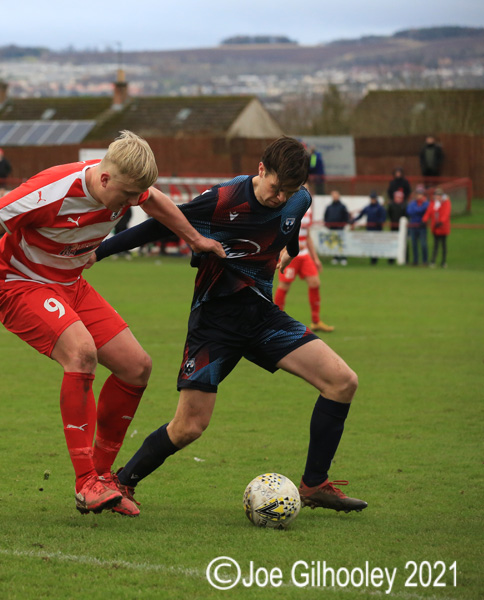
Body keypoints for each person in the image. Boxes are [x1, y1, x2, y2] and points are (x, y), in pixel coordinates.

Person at [0, 130, 226, 517]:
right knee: (81, 353)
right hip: (19, 285)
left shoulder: (128, 185)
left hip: (70, 285)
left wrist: (194, 239)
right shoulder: (50, 191)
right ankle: (86, 482)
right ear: (104, 179)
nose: (134, 204)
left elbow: (158, 202)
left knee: (137, 367)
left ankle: (102, 478)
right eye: (127, 196)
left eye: (139, 196)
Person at [91, 136, 366, 515]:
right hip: (215, 324)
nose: (281, 198)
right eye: (275, 188)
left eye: (289, 191)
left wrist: (288, 253)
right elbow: (159, 225)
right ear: (261, 170)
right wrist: (99, 251)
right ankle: (123, 481)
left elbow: (291, 232)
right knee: (189, 426)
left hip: (264, 319)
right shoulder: (223, 200)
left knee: (342, 382)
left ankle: (314, 484)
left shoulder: (297, 199)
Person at [274, 208, 334, 333]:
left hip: (305, 255)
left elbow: (308, 236)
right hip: (289, 255)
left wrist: (316, 258)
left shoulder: (309, 210)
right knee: (284, 286)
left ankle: (316, 321)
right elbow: (279, 231)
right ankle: (275, 322)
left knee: (315, 283)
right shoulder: (289, 205)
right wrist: (286, 247)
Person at [351, 190, 387, 265]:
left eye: (373, 198)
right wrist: (353, 220)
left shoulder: (380, 208)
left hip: (377, 229)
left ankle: (375, 259)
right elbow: (360, 215)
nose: (372, 200)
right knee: (371, 245)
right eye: (371, 198)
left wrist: (378, 222)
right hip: (369, 229)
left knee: (376, 245)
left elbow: (383, 218)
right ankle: (372, 259)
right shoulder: (367, 207)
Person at [424, 188, 450, 268]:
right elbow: (428, 212)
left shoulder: (446, 203)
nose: (437, 197)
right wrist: (424, 220)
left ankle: (443, 261)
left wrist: (441, 222)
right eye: (436, 195)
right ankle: (433, 261)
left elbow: (446, 213)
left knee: (443, 245)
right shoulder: (433, 203)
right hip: (435, 227)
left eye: (439, 195)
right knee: (435, 245)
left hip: (443, 227)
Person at [323, 190, 350, 266]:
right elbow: (326, 216)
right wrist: (327, 224)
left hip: (340, 228)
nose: (334, 197)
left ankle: (344, 258)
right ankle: (336, 258)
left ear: (338, 196)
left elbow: (346, 217)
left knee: (341, 243)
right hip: (332, 228)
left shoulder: (342, 206)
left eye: (336, 196)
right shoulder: (329, 207)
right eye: (333, 196)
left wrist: (342, 225)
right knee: (334, 243)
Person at [406, 186, 429, 267]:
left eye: (420, 194)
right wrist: (419, 210)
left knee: (423, 244)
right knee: (414, 244)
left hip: (422, 226)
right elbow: (409, 211)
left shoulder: (426, 203)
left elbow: (426, 210)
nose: (419, 195)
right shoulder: (412, 203)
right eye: (418, 193)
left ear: (423, 195)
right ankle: (415, 261)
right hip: (413, 226)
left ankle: (425, 261)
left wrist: (417, 210)